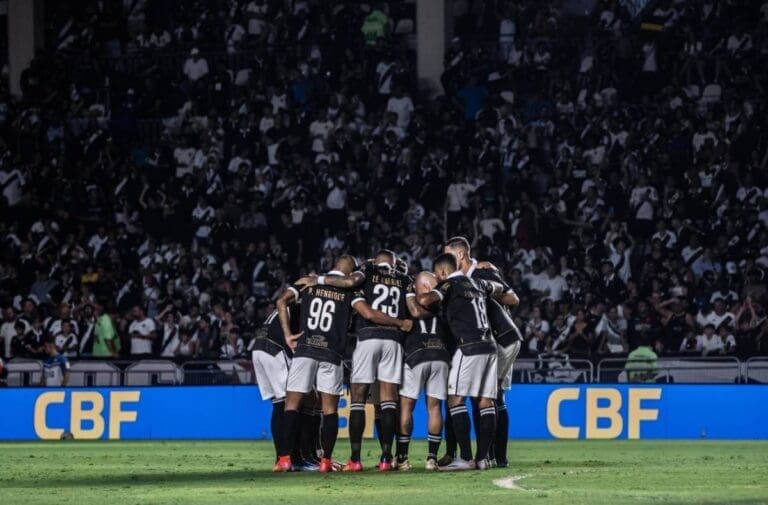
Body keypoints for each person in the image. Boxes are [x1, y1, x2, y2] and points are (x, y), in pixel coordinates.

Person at [316, 250, 414, 472]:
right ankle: (386, 459)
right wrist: (401, 323)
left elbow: (366, 312)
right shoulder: (404, 279)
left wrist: (319, 279)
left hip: (368, 337)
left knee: (358, 399)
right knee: (389, 401)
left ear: (375, 261)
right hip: (393, 342)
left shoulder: (365, 273)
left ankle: (356, 459)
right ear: (393, 263)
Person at [416, 253, 515, 471]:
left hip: (468, 347)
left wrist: (419, 295)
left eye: (437, 275)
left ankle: (466, 458)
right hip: (490, 346)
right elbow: (500, 289)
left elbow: (425, 300)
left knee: (454, 400)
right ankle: (483, 459)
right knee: (486, 402)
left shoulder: (449, 285)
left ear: (442, 272)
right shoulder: (479, 282)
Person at [273, 255, 358, 473]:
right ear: (350, 272)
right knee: (329, 410)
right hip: (331, 352)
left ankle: (284, 459)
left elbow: (281, 301)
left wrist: (288, 336)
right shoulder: (349, 289)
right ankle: (325, 462)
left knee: (291, 405)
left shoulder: (307, 282)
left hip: (305, 349)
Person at [442, 236, 522, 468]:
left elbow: (512, 298)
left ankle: (492, 456)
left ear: (460, 256)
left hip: (499, 339)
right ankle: (487, 456)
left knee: (487, 396)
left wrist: (484, 288)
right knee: (487, 396)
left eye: (449, 255)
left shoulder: (483, 273)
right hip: (490, 342)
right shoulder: (461, 278)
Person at [395, 271, 451, 471]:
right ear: (427, 286)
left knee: (406, 406)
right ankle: (431, 459)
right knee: (434, 408)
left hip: (416, 355)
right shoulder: (443, 304)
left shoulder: (409, 305)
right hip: (441, 356)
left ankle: (402, 458)